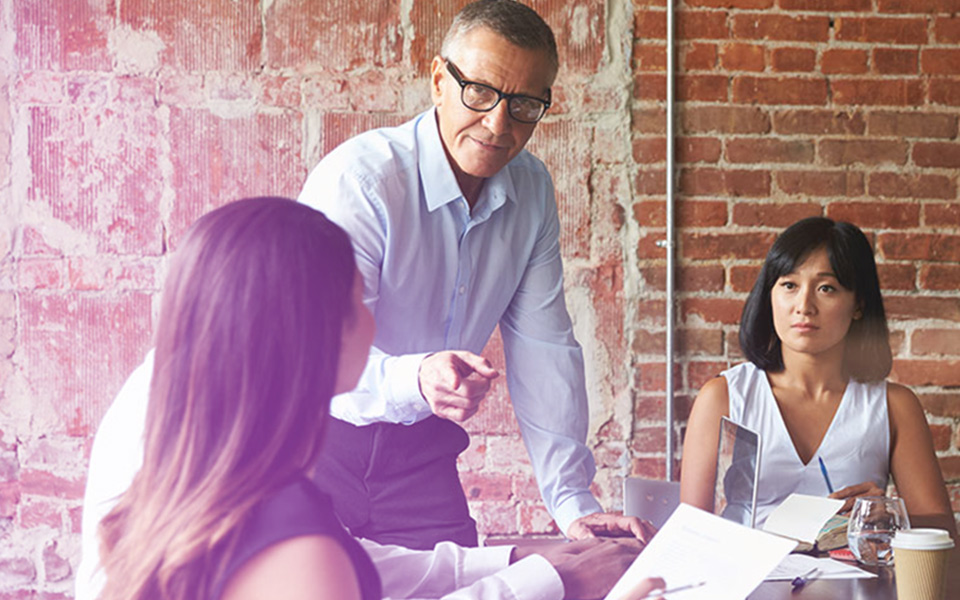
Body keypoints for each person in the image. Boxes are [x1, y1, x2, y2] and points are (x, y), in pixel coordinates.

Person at [79, 196, 664, 600]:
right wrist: (557, 586)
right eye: (362, 300)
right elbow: (324, 567)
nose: (375, 320)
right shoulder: (285, 532)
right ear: (315, 329)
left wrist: (522, 564)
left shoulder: (205, 449)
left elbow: (352, 562)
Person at [298, 0, 650, 550]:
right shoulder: (362, 183)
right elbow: (313, 357)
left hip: (422, 457)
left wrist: (573, 502)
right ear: (439, 80)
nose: (497, 124)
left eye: (525, 104)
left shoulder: (531, 193)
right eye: (480, 91)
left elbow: (544, 347)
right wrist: (416, 379)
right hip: (313, 447)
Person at [680, 216, 956, 536]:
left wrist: (886, 515)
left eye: (826, 288)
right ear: (769, 295)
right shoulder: (724, 396)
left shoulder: (893, 405)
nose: (804, 305)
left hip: (857, 582)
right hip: (753, 579)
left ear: (858, 305)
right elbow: (689, 532)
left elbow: (943, 531)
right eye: (789, 285)